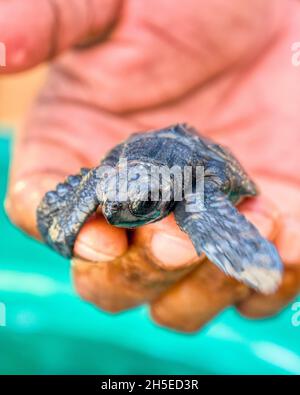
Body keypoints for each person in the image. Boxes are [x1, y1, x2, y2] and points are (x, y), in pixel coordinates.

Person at [3, 0, 300, 332]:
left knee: (203, 228)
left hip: (203, 162)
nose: (115, 213)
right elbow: (97, 188)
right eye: (107, 199)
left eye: (139, 206)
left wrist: (251, 261)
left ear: (161, 197)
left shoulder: (193, 188)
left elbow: (208, 213)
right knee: (74, 225)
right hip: (142, 159)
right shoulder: (108, 175)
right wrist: (61, 223)